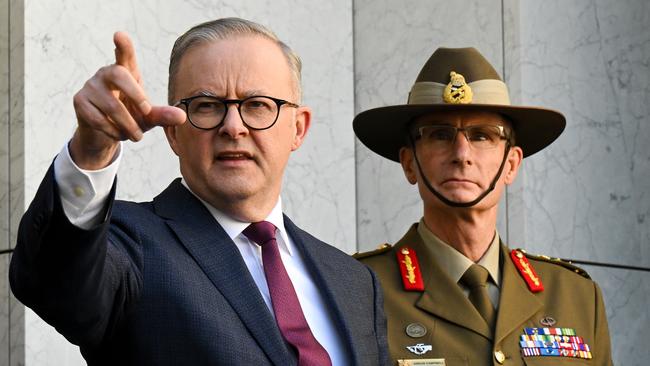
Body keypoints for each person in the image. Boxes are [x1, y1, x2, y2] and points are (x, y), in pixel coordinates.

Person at [10, 18, 387, 366]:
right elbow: (54, 282)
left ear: (298, 129)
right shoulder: (130, 244)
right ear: (174, 132)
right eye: (207, 106)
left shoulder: (356, 282)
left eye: (257, 105)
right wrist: (91, 152)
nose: (233, 126)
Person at [353, 47, 612, 365]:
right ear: (409, 163)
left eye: (482, 136)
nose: (462, 153)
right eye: (439, 135)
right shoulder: (358, 292)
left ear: (511, 165)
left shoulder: (576, 297)